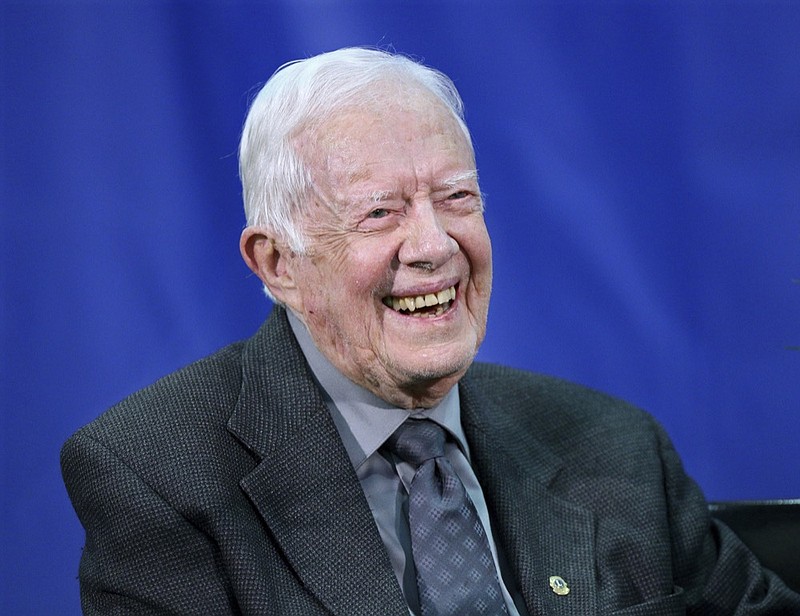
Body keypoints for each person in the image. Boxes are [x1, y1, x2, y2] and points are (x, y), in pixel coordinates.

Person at [61, 47, 800, 615]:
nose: (435, 245)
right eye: (380, 212)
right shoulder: (155, 478)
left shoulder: (616, 445)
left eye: (456, 198)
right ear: (278, 262)